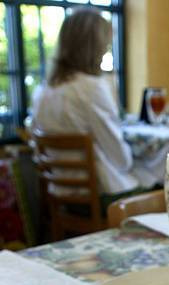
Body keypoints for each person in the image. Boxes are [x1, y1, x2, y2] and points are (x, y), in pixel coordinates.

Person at [31, 8, 138, 197]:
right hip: (99, 196)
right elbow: (122, 160)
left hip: (60, 193)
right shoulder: (90, 88)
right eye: (105, 44)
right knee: (161, 182)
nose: (106, 50)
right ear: (94, 47)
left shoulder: (43, 91)